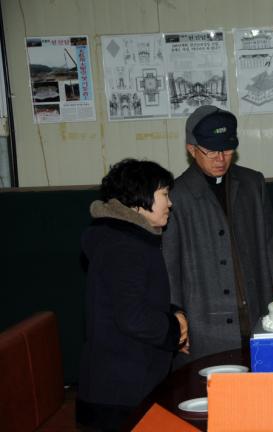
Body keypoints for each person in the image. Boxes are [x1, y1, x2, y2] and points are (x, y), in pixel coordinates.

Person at [162, 105, 273, 367]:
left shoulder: (253, 184)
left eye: (228, 150)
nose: (221, 159)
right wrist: (177, 320)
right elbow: (170, 267)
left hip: (256, 316)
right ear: (192, 149)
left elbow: (270, 251)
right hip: (204, 326)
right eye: (211, 151)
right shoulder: (176, 195)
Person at [76, 159, 188, 431]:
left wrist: (172, 312)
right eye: (164, 194)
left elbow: (132, 299)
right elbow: (132, 316)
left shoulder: (126, 238)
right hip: (120, 391)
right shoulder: (124, 245)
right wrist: (174, 329)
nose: (170, 203)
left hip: (123, 382)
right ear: (140, 199)